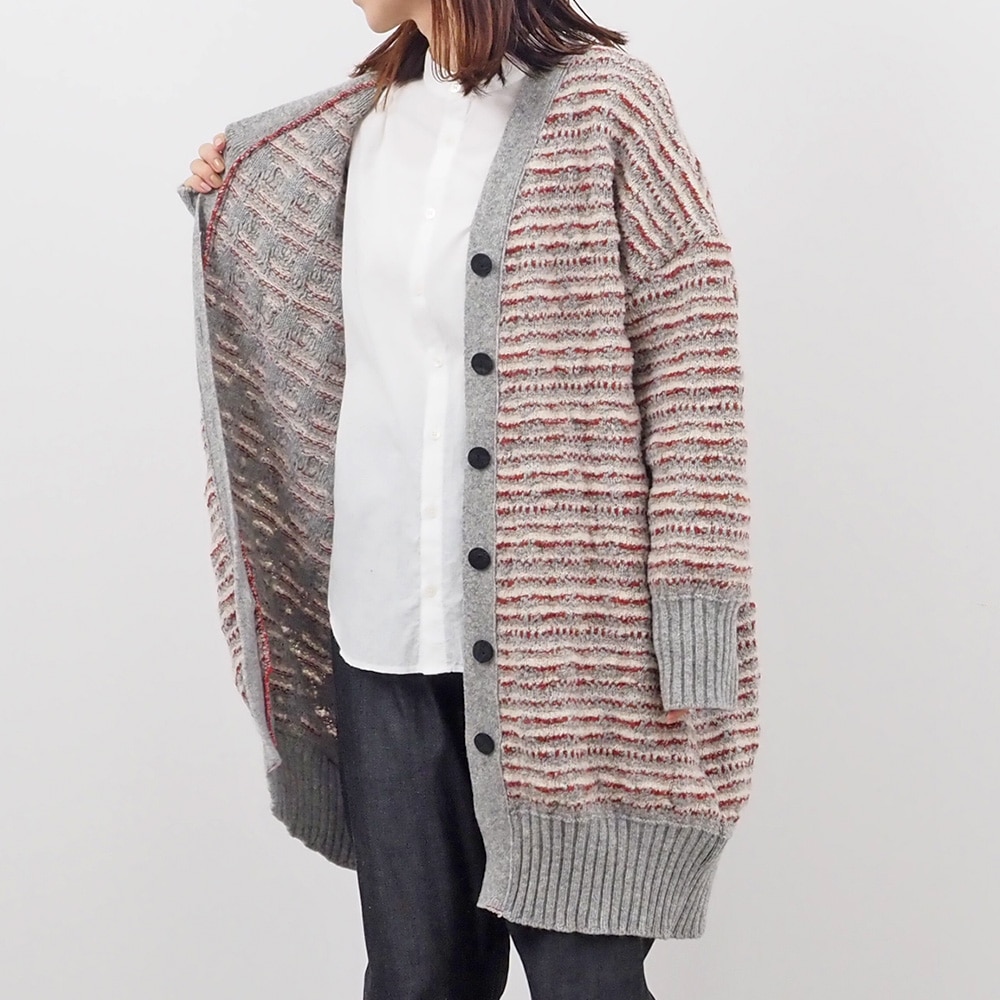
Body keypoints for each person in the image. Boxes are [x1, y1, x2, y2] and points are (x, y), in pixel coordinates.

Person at [178, 1, 761, 997]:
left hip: (570, 663)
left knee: (585, 983)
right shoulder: (351, 129)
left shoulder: (608, 109)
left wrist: (697, 612)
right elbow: (281, 289)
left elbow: (693, 361)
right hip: (383, 639)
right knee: (417, 980)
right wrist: (227, 188)